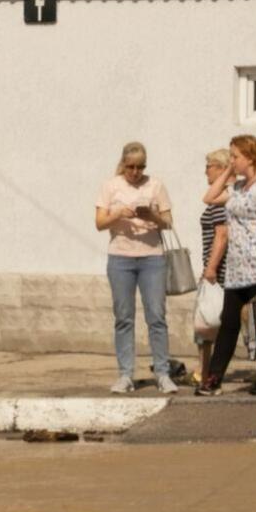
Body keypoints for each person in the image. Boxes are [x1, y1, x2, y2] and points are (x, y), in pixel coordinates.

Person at [197, 134, 256, 396]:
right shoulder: (237, 188)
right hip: (238, 268)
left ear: (250, 156)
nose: (232, 160)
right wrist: (228, 170)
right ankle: (213, 378)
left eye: (235, 156)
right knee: (229, 322)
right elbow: (209, 197)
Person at [94, 141, 178, 395]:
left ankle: (162, 373)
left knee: (156, 316)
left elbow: (168, 222)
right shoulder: (110, 186)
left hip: (152, 257)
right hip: (120, 257)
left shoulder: (155, 185)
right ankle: (125, 375)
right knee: (124, 317)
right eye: (130, 167)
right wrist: (119, 213)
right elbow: (99, 223)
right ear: (123, 164)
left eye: (140, 167)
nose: (135, 172)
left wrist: (150, 216)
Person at [195, 148, 231, 385]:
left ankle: (207, 371)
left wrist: (211, 267)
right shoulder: (222, 197)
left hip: (219, 271)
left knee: (208, 322)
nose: (205, 170)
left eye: (209, 165)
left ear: (220, 168)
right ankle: (204, 369)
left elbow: (222, 235)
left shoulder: (222, 200)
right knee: (207, 322)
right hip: (215, 268)